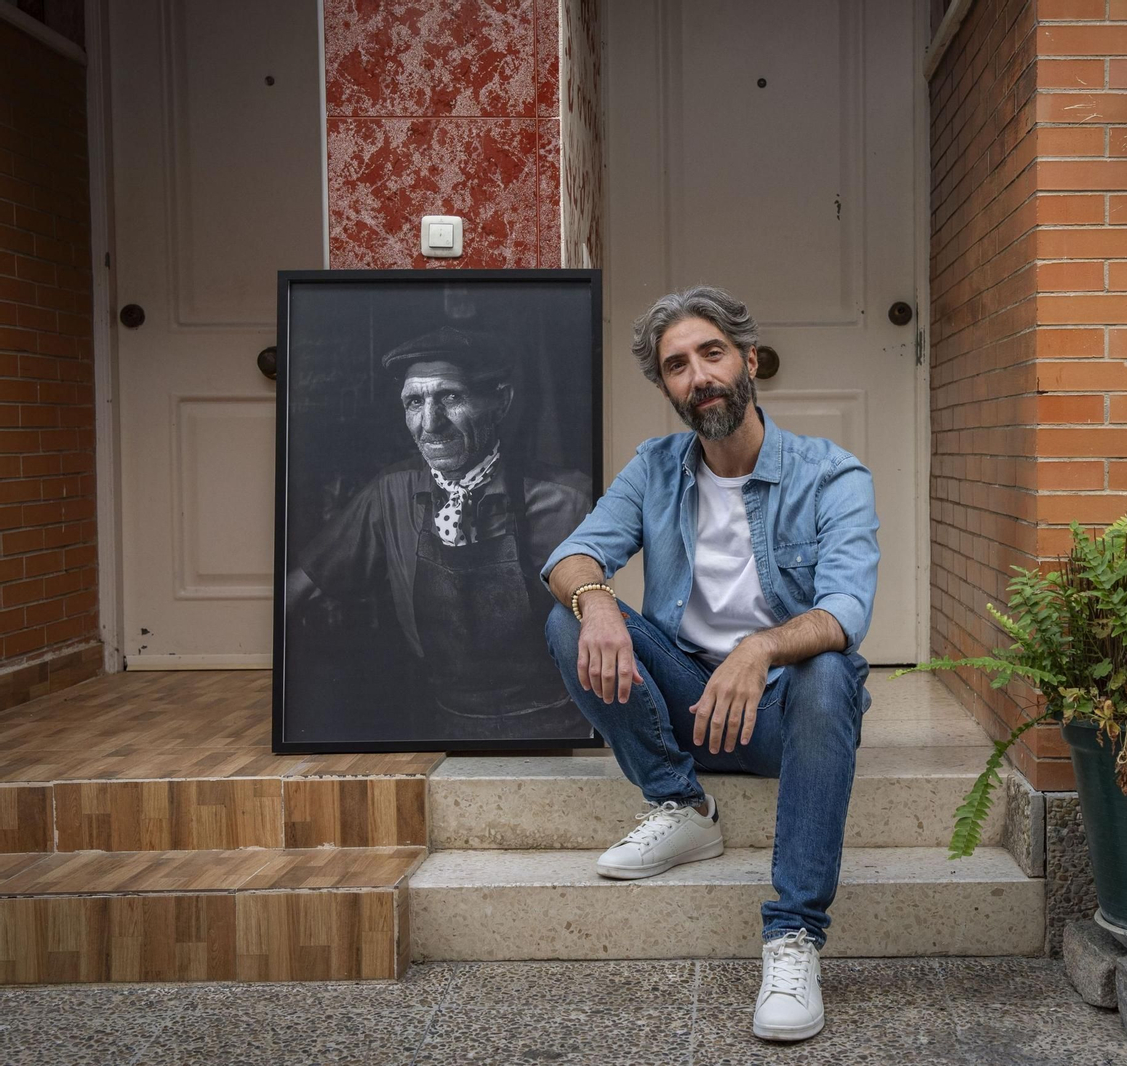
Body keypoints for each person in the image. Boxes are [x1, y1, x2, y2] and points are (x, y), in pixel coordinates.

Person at [542, 286, 880, 1043]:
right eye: (676, 366)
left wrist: (759, 649)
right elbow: (572, 555)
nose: (698, 376)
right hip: (692, 700)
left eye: (712, 353)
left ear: (749, 362)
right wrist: (597, 601)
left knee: (829, 670)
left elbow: (845, 612)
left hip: (785, 713)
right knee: (571, 619)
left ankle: (794, 937)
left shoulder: (832, 475)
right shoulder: (656, 468)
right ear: (666, 387)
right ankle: (683, 804)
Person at [285, 325, 591, 740]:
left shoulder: (570, 499)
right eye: (414, 402)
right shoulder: (390, 493)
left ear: (500, 401)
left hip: (563, 724)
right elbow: (296, 591)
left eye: (451, 397)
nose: (431, 424)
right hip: (445, 727)